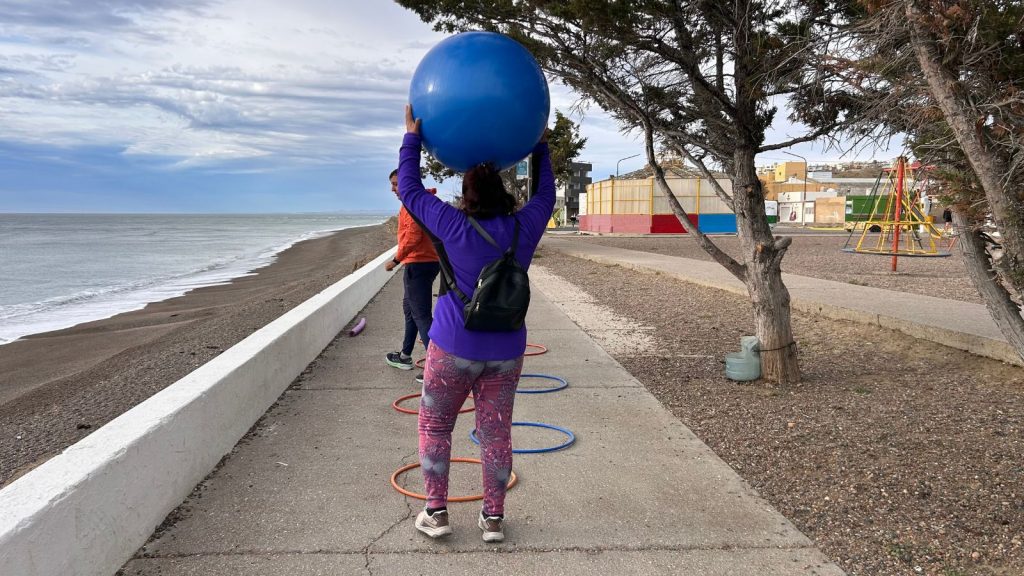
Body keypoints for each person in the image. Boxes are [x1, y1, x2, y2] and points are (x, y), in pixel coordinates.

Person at [396, 105, 554, 543]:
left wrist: (412, 137)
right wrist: (541, 148)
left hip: (451, 345)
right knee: (496, 431)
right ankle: (494, 519)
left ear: (466, 195)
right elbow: (546, 197)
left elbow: (408, 189)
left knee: (434, 426)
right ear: (502, 191)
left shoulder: (452, 223)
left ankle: (436, 513)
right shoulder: (524, 227)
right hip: (506, 349)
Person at [384, 169, 440, 384]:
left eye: (396, 184)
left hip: (419, 264)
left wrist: (396, 260)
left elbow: (414, 235)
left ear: (408, 182)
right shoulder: (423, 200)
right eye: (392, 184)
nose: (393, 189)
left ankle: (435, 367)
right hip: (427, 262)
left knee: (422, 315)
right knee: (410, 310)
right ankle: (405, 355)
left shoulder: (413, 203)